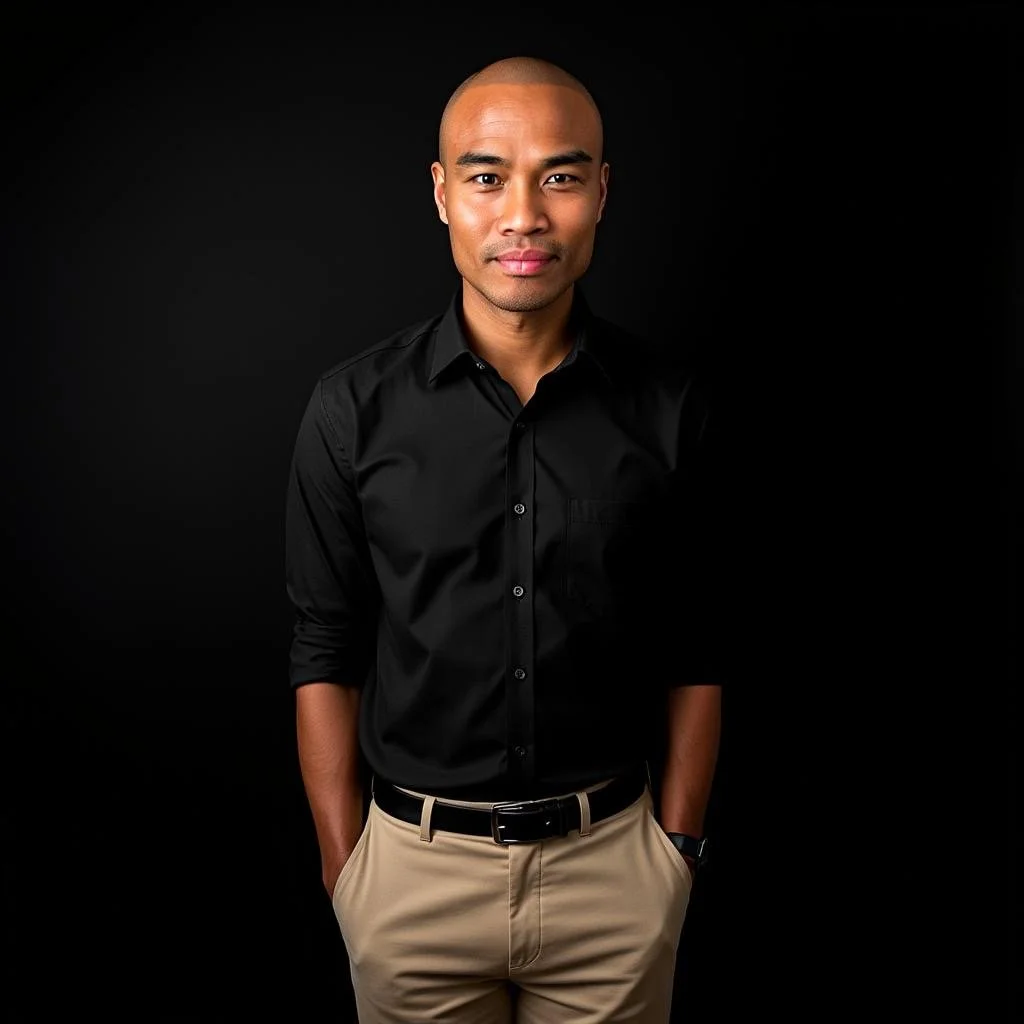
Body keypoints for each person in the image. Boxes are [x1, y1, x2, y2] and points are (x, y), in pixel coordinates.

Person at [284, 54, 723, 1024]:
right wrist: (346, 868)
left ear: (600, 193)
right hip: (410, 885)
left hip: (614, 877)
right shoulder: (351, 410)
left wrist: (677, 853)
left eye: (559, 176)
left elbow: (697, 644)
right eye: (487, 177)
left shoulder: (670, 409)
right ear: (443, 194)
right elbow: (325, 647)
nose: (523, 215)